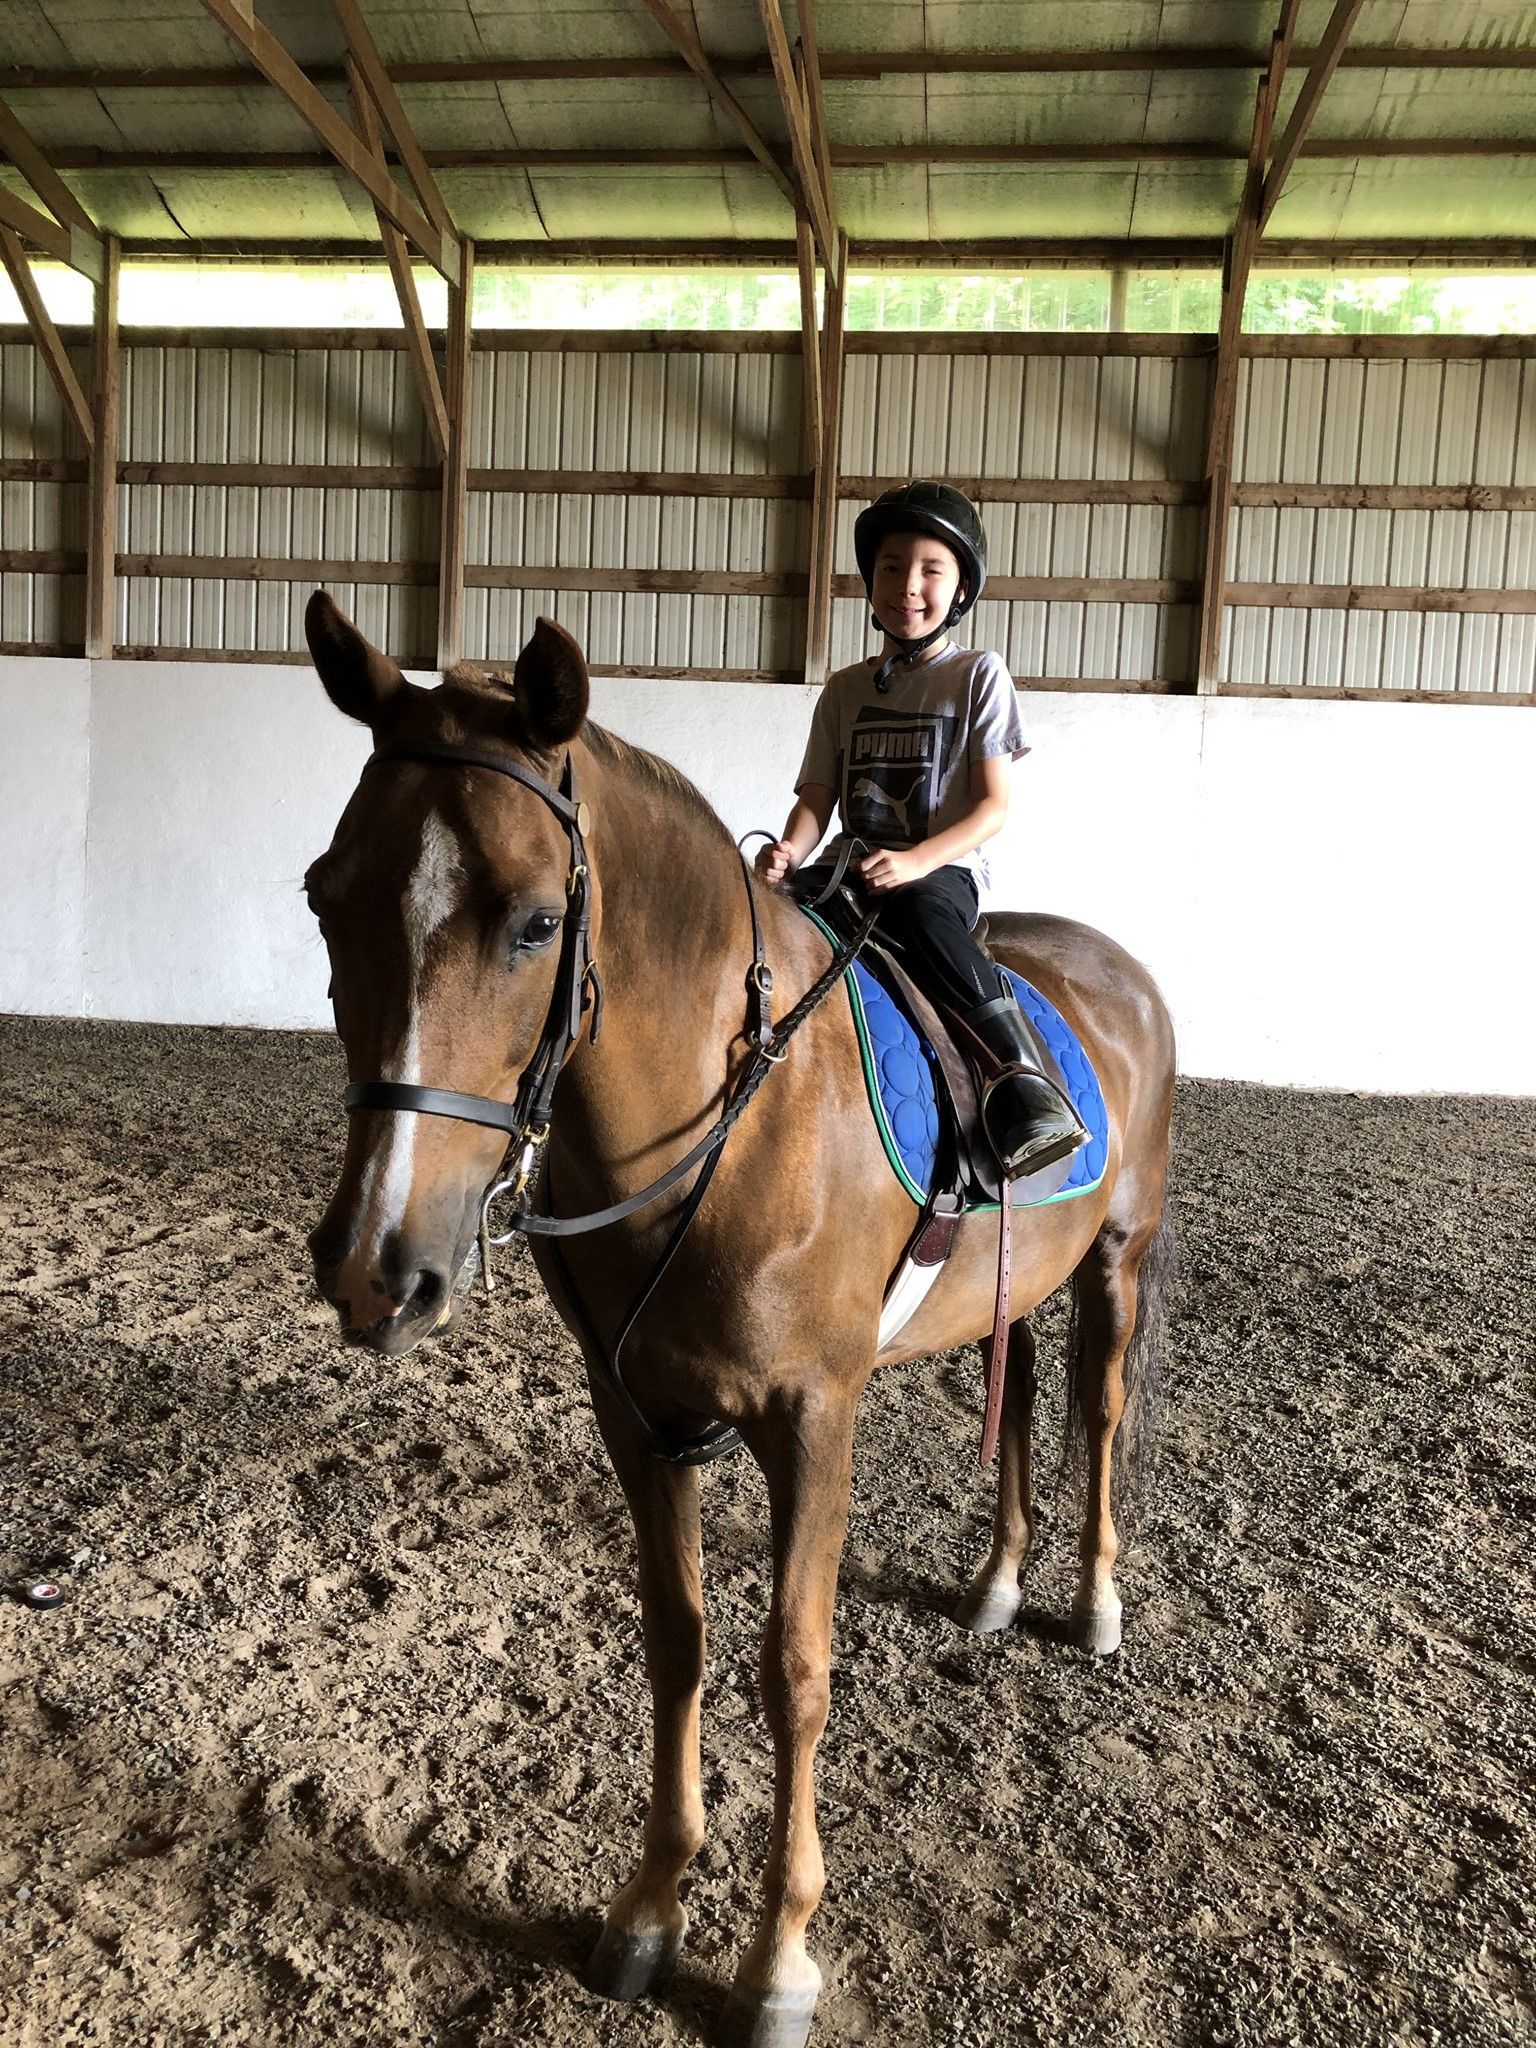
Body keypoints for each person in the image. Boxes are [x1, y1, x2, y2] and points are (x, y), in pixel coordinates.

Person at [757, 480, 1086, 1178]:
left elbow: (992, 807)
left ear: (960, 589)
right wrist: (791, 848)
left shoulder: (977, 676)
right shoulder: (844, 689)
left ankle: (1026, 1082)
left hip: (940, 874)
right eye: (892, 568)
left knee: (929, 926)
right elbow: (818, 798)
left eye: (931, 570)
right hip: (851, 867)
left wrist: (915, 864)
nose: (908, 585)